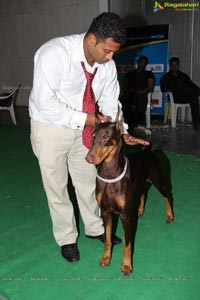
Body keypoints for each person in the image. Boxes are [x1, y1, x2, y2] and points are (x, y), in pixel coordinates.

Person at [29, 12, 149, 263]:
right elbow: (45, 102)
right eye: (107, 51)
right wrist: (88, 120)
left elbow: (110, 102)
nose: (110, 57)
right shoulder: (54, 54)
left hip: (87, 128)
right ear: (92, 40)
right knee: (57, 186)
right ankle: (67, 238)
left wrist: (123, 132)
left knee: (87, 181)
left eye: (114, 52)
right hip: (50, 126)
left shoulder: (106, 65)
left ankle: (95, 228)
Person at [160, 57, 200, 130]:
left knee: (194, 98)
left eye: (176, 65)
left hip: (185, 96)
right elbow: (163, 89)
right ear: (170, 66)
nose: (174, 67)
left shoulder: (183, 76)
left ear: (178, 65)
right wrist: (173, 89)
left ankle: (196, 123)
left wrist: (197, 89)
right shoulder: (165, 77)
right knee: (183, 89)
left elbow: (192, 85)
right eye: (173, 65)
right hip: (175, 97)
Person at [120, 55, 155, 131]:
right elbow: (124, 87)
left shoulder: (148, 74)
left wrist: (139, 92)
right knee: (124, 99)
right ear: (138, 63)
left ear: (146, 65)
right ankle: (126, 121)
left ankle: (138, 120)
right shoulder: (130, 73)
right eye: (141, 62)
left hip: (142, 94)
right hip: (130, 93)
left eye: (144, 63)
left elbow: (150, 88)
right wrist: (129, 91)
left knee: (139, 100)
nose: (142, 64)